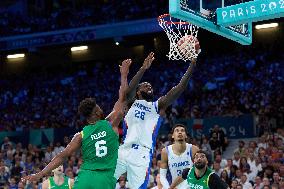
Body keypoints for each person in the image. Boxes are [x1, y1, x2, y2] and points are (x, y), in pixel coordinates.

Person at [22, 59, 132, 189]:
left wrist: (39, 175)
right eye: (98, 107)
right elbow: (123, 99)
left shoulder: (80, 135)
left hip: (85, 178)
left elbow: (61, 157)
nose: (101, 108)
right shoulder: (110, 123)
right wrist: (124, 75)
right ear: (96, 113)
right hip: (105, 179)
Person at [114, 52, 197, 188]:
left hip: (143, 153)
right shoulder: (130, 103)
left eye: (150, 86)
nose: (149, 87)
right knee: (104, 180)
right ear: (138, 91)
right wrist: (143, 69)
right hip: (123, 150)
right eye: (145, 85)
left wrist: (192, 65)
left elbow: (179, 88)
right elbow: (129, 91)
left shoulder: (157, 106)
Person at [160, 124, 199, 188]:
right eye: (177, 131)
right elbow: (162, 176)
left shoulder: (193, 149)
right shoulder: (165, 151)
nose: (180, 132)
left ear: (186, 135)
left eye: (182, 130)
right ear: (172, 136)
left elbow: (199, 172)